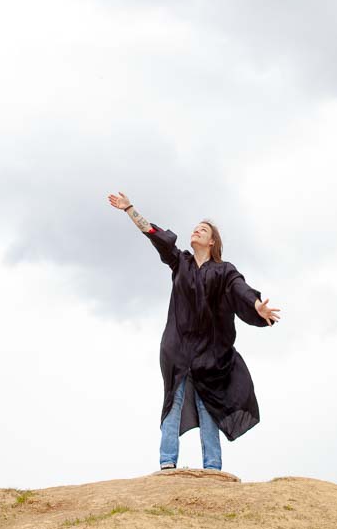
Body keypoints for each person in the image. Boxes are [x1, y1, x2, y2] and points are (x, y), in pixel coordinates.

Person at [107, 191, 280, 473]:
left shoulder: (224, 271)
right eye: (196, 227)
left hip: (210, 353)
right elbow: (154, 233)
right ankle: (167, 464)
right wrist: (129, 209)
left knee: (207, 404)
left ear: (212, 241)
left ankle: (212, 468)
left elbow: (240, 289)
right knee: (172, 402)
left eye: (204, 229)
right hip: (178, 348)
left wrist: (257, 305)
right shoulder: (181, 262)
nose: (197, 230)